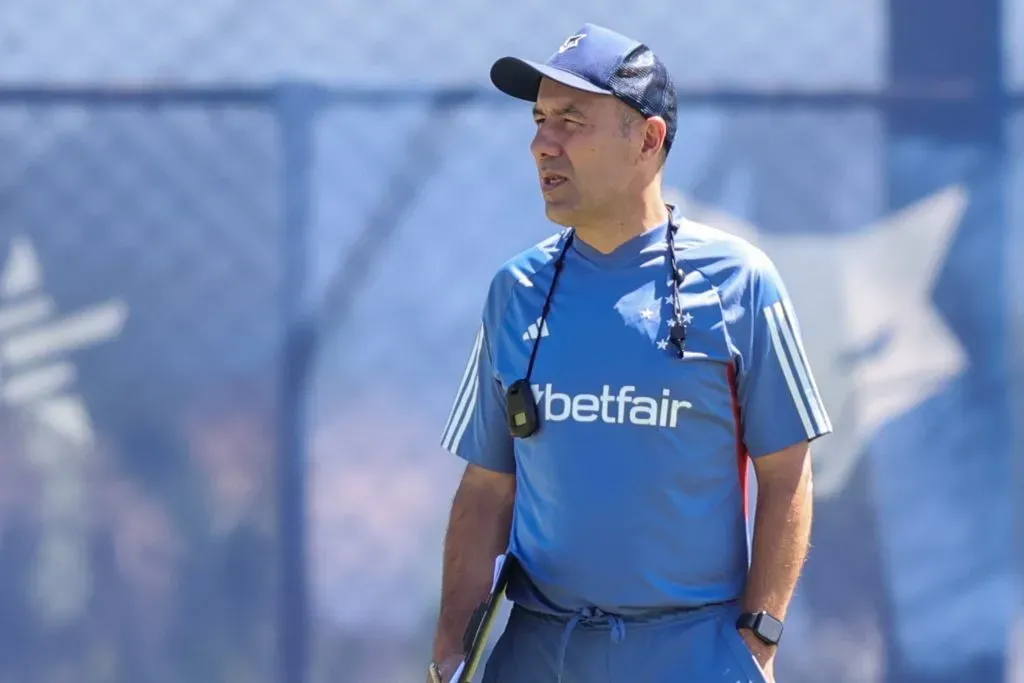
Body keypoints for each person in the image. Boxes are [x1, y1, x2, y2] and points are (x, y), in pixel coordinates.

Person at [427, 23, 832, 683]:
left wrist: (757, 642)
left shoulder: (742, 282)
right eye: (538, 120)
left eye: (571, 121)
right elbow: (485, 489)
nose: (541, 144)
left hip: (693, 653)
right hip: (538, 651)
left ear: (648, 139)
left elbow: (788, 475)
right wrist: (449, 655)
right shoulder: (515, 290)